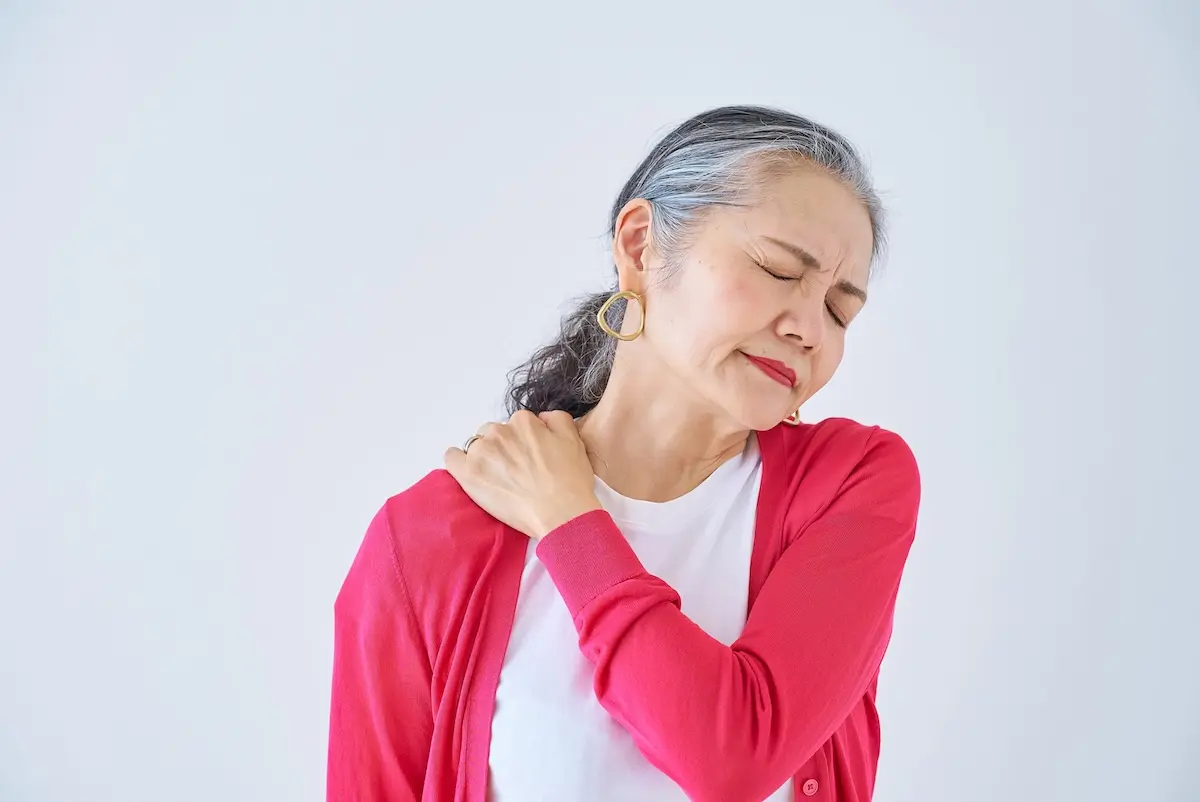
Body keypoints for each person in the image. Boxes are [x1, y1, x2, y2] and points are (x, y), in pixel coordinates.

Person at [326, 105, 921, 802]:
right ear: (641, 246)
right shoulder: (427, 539)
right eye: (780, 270)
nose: (809, 329)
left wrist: (571, 523)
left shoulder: (852, 483)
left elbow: (732, 760)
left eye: (839, 311)